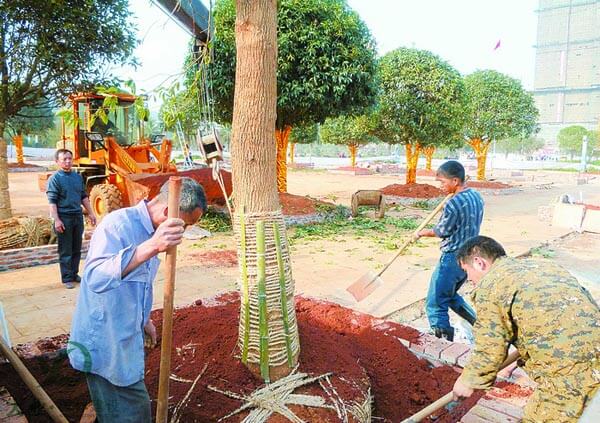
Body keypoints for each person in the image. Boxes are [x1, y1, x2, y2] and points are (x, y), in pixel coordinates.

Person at [68, 177, 207, 422]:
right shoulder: (117, 225)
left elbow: (137, 285)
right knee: (132, 412)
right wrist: (151, 247)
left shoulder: (152, 231)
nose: (183, 232)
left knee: (124, 411)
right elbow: (95, 278)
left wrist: (145, 319)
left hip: (124, 336)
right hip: (105, 341)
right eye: (184, 225)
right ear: (168, 212)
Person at [452, 236, 600, 423]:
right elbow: (551, 321)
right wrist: (518, 358)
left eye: (467, 271)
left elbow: (489, 348)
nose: (469, 279)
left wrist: (468, 380)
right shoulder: (543, 266)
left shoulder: (492, 285)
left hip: (572, 376)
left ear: (479, 263)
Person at [415, 160, 483, 341]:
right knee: (450, 295)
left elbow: (442, 231)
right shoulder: (476, 196)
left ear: (455, 181)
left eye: (442, 182)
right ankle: (478, 325)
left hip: (452, 258)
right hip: (470, 256)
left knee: (436, 301)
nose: (441, 186)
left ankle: (443, 339)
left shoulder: (453, 203)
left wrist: (421, 233)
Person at [46, 149, 97, 289]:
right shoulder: (55, 179)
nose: (68, 161)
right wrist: (57, 220)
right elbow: (52, 202)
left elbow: (83, 197)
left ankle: (74, 274)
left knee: (76, 248)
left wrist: (91, 213)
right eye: (64, 159)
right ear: (57, 161)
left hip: (77, 216)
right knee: (65, 250)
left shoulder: (77, 177)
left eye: (70, 158)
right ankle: (67, 278)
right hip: (64, 218)